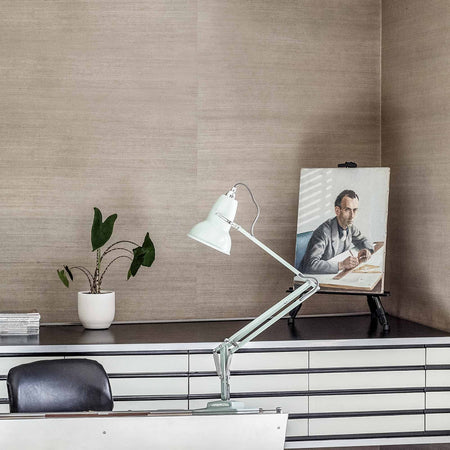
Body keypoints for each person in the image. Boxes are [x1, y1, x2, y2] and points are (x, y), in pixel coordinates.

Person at [299, 190, 373, 274]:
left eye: (355, 210)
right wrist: (341, 265)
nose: (352, 216)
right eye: (347, 210)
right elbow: (311, 265)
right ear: (337, 211)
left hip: (336, 275)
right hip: (314, 277)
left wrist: (366, 250)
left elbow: (363, 240)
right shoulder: (323, 232)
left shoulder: (350, 226)